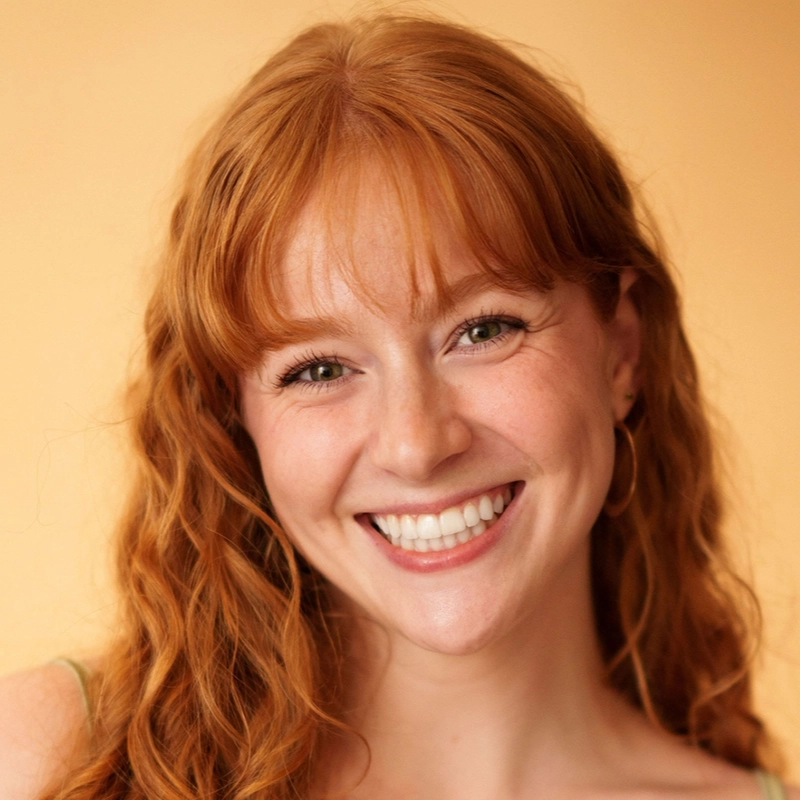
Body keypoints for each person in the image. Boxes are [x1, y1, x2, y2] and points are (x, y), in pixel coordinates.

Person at [0, 13, 794, 800]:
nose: (416, 445)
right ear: (232, 416)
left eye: (484, 329)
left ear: (621, 349)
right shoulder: (47, 761)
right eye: (316, 370)